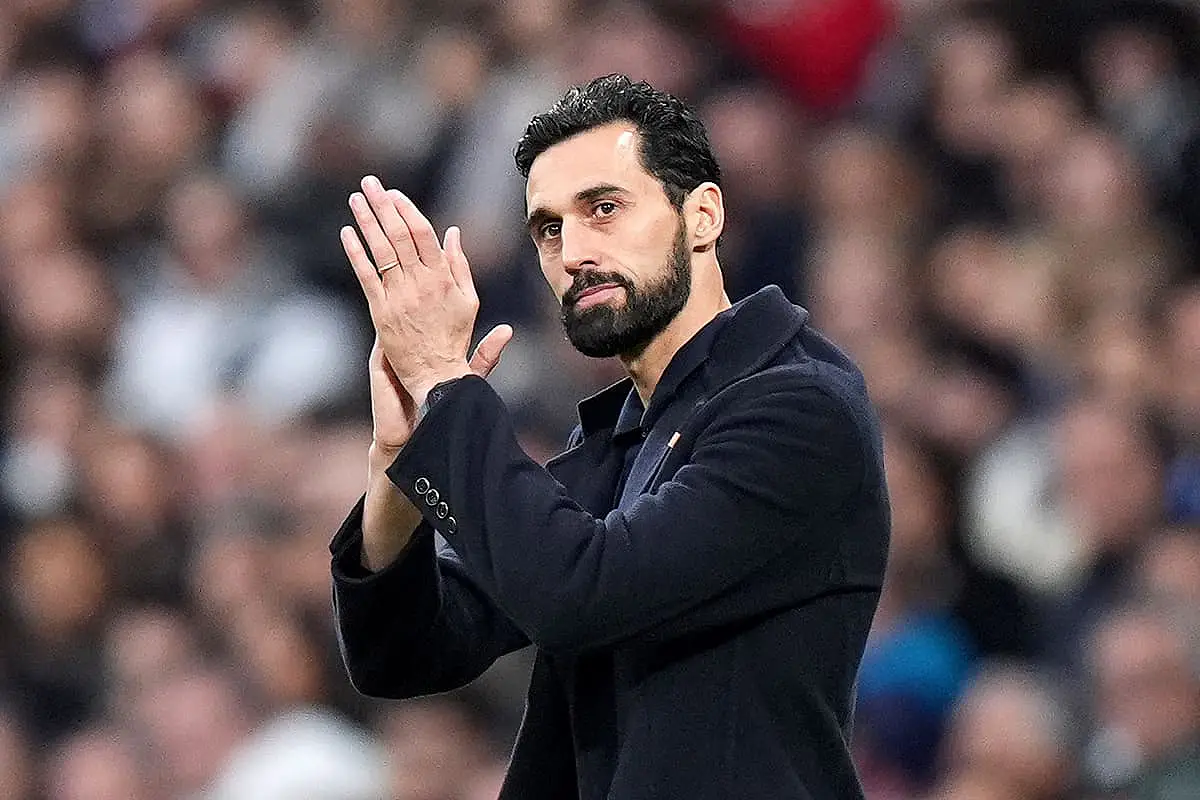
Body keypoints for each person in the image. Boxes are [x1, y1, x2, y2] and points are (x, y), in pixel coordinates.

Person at [329, 74, 891, 800]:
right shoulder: (621, 438)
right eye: (549, 228)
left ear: (702, 216)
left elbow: (577, 592)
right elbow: (401, 654)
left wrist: (445, 381)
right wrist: (399, 465)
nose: (572, 252)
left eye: (604, 208)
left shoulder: (798, 407)